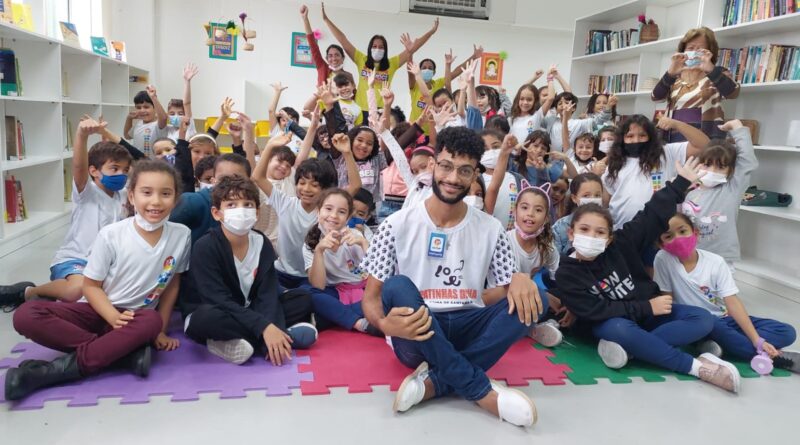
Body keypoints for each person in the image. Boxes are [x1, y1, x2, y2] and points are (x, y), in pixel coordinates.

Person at [360, 126, 543, 427]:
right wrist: (382, 324)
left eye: (464, 170)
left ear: (475, 175)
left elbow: (503, 291)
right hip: (416, 332)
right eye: (446, 166)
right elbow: (371, 298)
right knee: (398, 285)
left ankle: (435, 383)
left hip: (467, 323)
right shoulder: (396, 224)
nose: (453, 178)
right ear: (432, 165)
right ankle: (480, 391)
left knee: (536, 300)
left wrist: (518, 279)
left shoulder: (491, 228)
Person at [5, 160, 191, 401]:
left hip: (136, 319)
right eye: (146, 192)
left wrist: (161, 331)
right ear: (131, 196)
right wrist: (111, 316)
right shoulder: (111, 235)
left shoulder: (181, 235)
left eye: (165, 194)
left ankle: (47, 373)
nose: (155, 201)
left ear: (175, 199)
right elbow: (90, 286)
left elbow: (172, 284)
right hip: (96, 310)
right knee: (25, 315)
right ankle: (122, 354)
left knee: (151, 321)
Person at [556, 157, 741, 393]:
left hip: (646, 315)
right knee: (619, 329)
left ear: (610, 238)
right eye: (584, 229)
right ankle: (697, 368)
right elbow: (596, 311)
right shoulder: (567, 273)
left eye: (600, 232)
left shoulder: (621, 244)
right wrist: (647, 307)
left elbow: (650, 215)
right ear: (571, 233)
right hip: (612, 322)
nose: (591, 236)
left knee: (703, 318)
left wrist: (680, 183)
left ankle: (635, 349)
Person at [182, 176, 317, 366]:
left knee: (302, 299)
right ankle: (282, 336)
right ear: (216, 213)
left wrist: (268, 325)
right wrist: (264, 327)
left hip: (248, 309)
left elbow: (267, 294)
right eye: (231, 205)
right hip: (217, 310)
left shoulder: (262, 243)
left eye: (248, 204)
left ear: (257, 212)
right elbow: (217, 299)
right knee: (205, 318)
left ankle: (242, 341)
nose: (241, 210)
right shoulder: (205, 247)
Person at [1, 117, 131, 308]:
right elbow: (79, 167)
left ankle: (51, 296)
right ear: (94, 171)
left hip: (106, 263)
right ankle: (28, 292)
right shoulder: (87, 192)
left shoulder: (125, 195)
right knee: (76, 290)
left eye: (125, 170)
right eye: (114, 168)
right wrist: (81, 135)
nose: (121, 174)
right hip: (76, 259)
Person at [654, 213, 799, 373]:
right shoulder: (663, 259)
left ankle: (719, 344)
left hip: (724, 319)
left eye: (683, 231)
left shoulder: (716, 262)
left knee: (787, 332)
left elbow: (732, 302)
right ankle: (775, 358)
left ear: (695, 232)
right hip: (696, 321)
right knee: (711, 322)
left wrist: (757, 340)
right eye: (669, 236)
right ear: (662, 244)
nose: (678, 239)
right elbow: (667, 299)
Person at [252, 132, 360, 290]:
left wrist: (347, 153)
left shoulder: (327, 213)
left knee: (307, 298)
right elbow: (258, 177)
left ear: (325, 189)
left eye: (314, 185)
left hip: (310, 276)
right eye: (302, 183)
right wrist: (270, 146)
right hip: (281, 272)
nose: (306, 189)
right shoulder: (285, 203)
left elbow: (355, 185)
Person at [322, 2, 439, 110]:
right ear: (370, 48)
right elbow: (343, 40)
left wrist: (431, 32)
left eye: (381, 47)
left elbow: (414, 47)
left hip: (381, 110)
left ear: (385, 50)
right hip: (361, 110)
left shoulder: (391, 64)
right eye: (374, 46)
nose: (377, 49)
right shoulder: (361, 59)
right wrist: (326, 20)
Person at [679, 120, 758, 271]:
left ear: (730, 171)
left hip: (722, 259)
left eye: (721, 167)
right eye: (707, 164)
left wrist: (737, 128)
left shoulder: (731, 188)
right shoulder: (688, 193)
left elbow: (747, 161)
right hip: (692, 256)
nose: (713, 171)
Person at [304, 188, 378, 334]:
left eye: (341, 212)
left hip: (365, 291)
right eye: (328, 209)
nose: (333, 216)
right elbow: (318, 286)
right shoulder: (311, 243)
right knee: (308, 293)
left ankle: (336, 316)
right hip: (336, 292)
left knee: (386, 295)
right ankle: (359, 322)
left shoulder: (355, 236)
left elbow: (378, 273)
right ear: (318, 211)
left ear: (348, 218)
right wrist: (319, 251)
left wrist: (364, 244)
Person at [651, 27, 740, 142]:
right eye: (690, 48)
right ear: (683, 51)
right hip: (673, 140)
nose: (694, 52)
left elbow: (733, 93)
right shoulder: (675, 76)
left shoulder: (718, 72)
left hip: (706, 141)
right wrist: (670, 74)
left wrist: (711, 70)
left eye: (700, 49)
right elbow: (656, 98)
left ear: (710, 52)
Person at [300, 4, 347, 86]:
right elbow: (313, 46)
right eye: (330, 56)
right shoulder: (322, 67)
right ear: (327, 59)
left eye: (337, 55)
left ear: (343, 58)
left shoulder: (348, 76)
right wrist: (305, 19)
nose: (333, 58)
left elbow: (354, 93)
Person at [124, 85, 169, 157]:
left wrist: (153, 97)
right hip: (139, 162)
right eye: (138, 107)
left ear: (155, 108)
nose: (142, 110)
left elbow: (164, 118)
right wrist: (129, 118)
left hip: (154, 163)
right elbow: (127, 136)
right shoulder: (138, 124)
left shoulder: (158, 125)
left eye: (146, 107)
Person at [166, 63, 199, 142]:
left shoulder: (189, 127)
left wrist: (187, 81)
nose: (176, 116)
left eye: (180, 114)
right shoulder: (168, 129)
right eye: (172, 114)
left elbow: (187, 103)